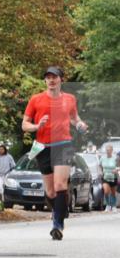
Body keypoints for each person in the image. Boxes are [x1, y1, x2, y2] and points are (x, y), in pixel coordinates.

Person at [22, 66, 87, 239]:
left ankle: (57, 224)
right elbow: (24, 125)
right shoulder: (36, 99)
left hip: (63, 144)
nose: (51, 80)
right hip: (42, 146)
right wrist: (37, 126)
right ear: (45, 80)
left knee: (60, 186)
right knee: (50, 192)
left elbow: (74, 118)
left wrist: (80, 125)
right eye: (48, 77)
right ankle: (60, 211)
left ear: (61, 80)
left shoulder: (70, 99)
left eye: (55, 77)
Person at [102, 145, 118, 213]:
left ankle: (113, 206)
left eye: (109, 150)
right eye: (107, 150)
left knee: (113, 193)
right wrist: (100, 172)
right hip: (105, 177)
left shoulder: (115, 159)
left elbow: (118, 167)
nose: (108, 151)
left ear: (112, 151)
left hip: (113, 177)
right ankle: (108, 205)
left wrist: (116, 170)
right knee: (106, 191)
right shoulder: (102, 158)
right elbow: (99, 166)